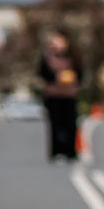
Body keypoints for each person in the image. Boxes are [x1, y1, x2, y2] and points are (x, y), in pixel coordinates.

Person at [38, 30, 81, 161]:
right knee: (55, 124)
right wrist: (56, 77)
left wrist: (72, 78)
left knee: (70, 124)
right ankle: (56, 151)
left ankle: (70, 151)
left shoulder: (73, 57)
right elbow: (42, 73)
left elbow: (80, 72)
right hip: (54, 95)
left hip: (69, 94)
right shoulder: (47, 57)